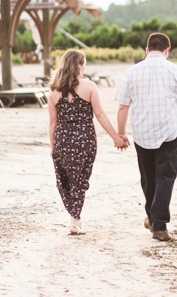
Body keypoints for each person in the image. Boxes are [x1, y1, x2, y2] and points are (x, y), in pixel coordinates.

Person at [115, 32, 177, 241]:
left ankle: (153, 218)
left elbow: (123, 107)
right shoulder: (176, 71)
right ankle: (158, 225)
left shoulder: (132, 72)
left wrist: (121, 133)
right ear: (167, 50)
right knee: (165, 178)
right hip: (169, 133)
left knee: (149, 179)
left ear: (147, 50)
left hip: (141, 134)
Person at [48, 49, 129, 235]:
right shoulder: (89, 86)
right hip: (84, 139)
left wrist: (53, 146)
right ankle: (75, 221)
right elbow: (99, 114)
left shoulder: (53, 91)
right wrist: (116, 137)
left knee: (66, 180)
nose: (85, 67)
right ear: (78, 66)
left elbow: (53, 122)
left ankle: (74, 218)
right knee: (80, 179)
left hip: (62, 139)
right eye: (83, 64)